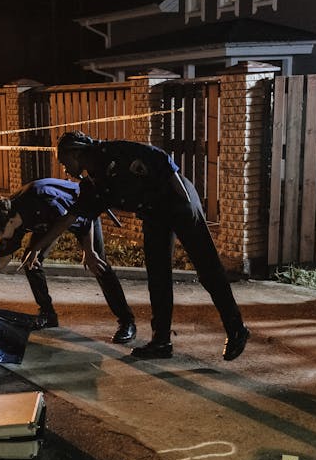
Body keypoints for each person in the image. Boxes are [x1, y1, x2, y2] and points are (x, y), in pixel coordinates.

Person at [22, 132, 250, 361]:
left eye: (64, 162)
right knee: (158, 276)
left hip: (177, 198)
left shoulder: (114, 151)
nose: (63, 168)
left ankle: (236, 329)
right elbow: (71, 217)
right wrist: (37, 247)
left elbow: (159, 158)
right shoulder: (93, 184)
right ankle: (161, 342)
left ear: (76, 153)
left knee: (207, 269)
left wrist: (184, 198)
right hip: (153, 213)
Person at [0, 177, 137, 343]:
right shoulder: (8, 219)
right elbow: (2, 260)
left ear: (11, 221)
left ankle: (127, 322)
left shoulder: (42, 199)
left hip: (81, 210)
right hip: (50, 222)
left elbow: (84, 219)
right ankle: (48, 315)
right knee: (30, 261)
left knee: (98, 265)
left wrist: (89, 250)